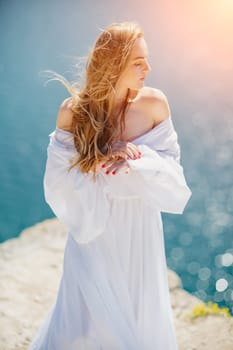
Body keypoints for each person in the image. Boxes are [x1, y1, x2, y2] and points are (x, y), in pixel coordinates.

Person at [29, 21, 192, 350]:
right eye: (138, 62)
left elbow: (172, 172)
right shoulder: (72, 113)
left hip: (139, 226)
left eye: (147, 59)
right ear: (114, 64)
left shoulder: (154, 105)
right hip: (93, 228)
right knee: (85, 316)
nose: (149, 68)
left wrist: (137, 158)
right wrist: (102, 158)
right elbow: (58, 181)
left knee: (137, 307)